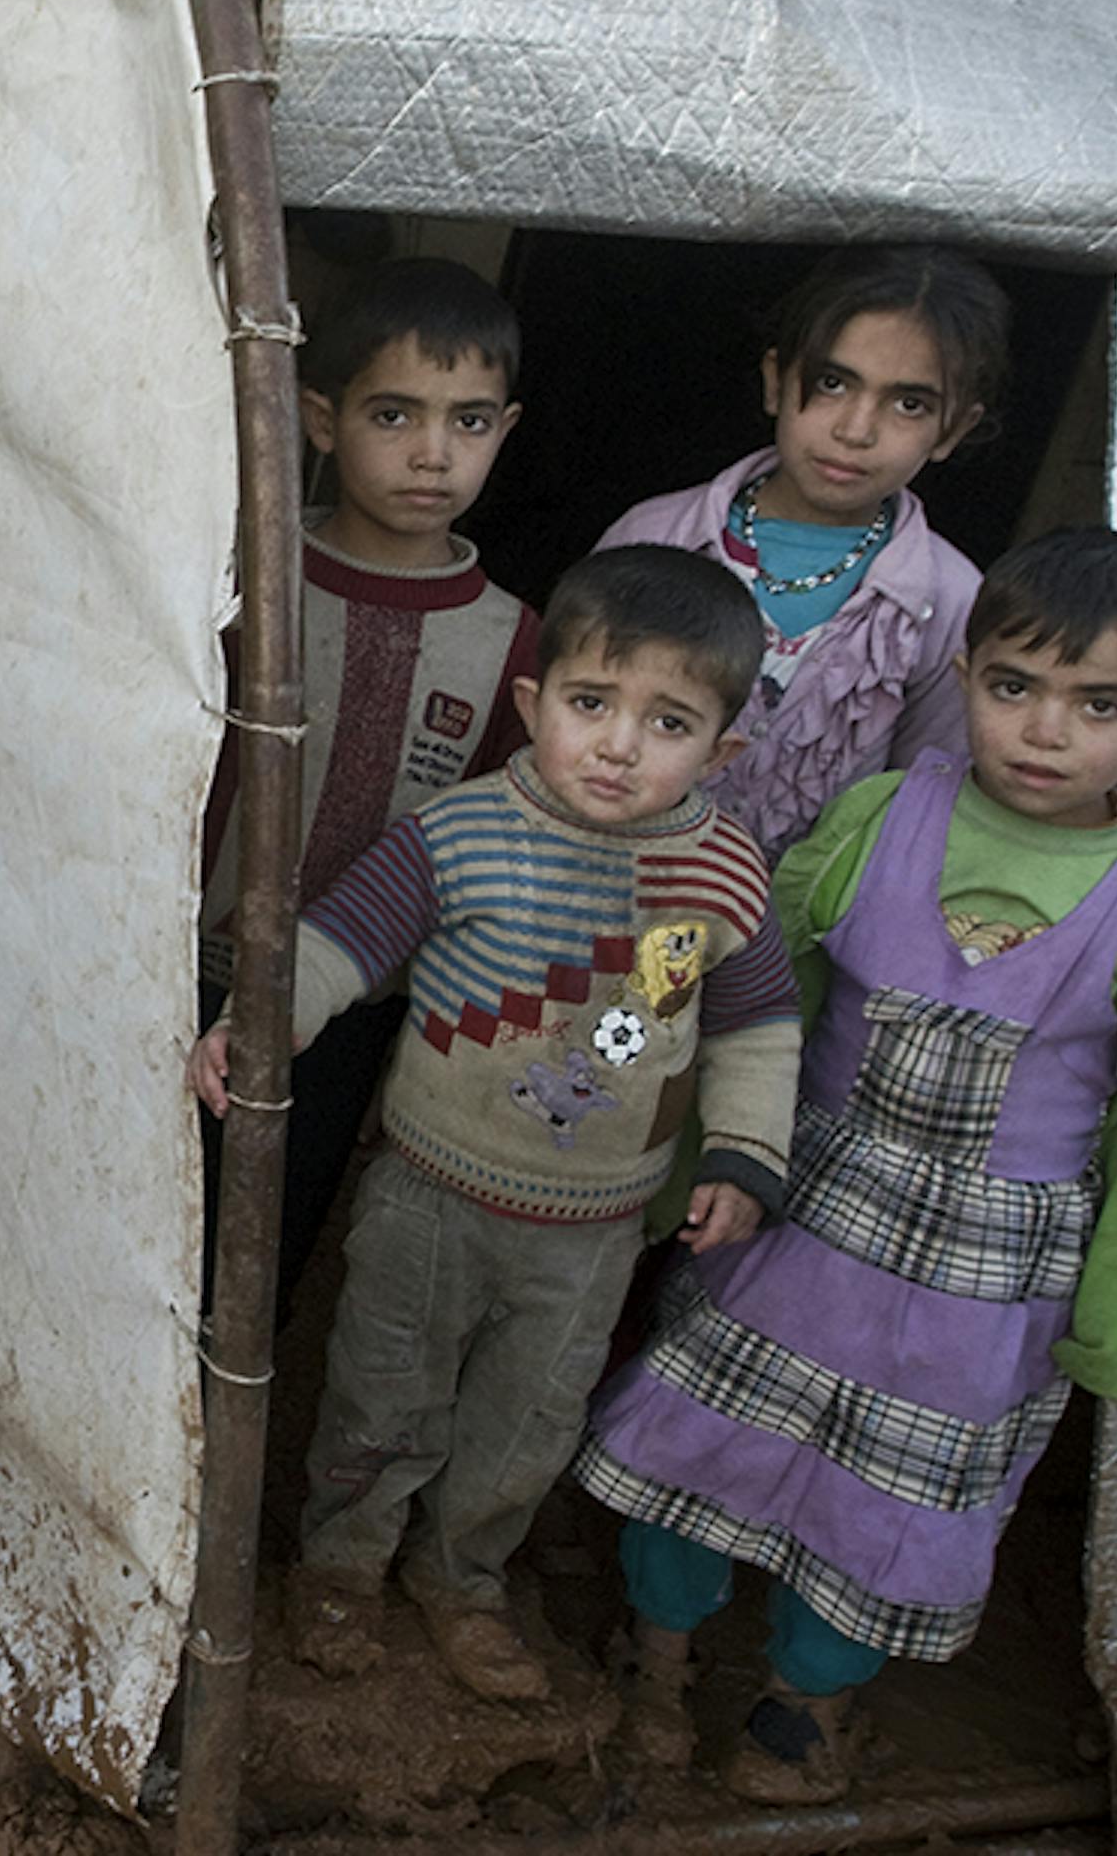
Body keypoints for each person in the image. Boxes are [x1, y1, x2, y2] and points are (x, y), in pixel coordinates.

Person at [571, 528, 1117, 1805]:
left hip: (981, 1291)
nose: (1046, 731)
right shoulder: (883, 817)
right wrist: (683, 1170)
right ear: (967, 673)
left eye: (1100, 704)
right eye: (1011, 687)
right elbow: (764, 1003)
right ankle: (654, 1662)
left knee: (892, 1505)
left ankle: (798, 1709)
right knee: (701, 1436)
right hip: (801, 1218)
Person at [189, 547, 802, 1704]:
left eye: (667, 722)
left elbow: (758, 1027)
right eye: (590, 704)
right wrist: (262, 1021)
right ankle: (342, 1563)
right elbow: (343, 939)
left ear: (722, 751)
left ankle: (464, 1580)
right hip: (429, 1192)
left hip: (593, 1232)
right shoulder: (464, 831)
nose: (619, 744)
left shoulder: (720, 879)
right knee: (383, 1387)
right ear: (535, 703)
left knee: (526, 1421)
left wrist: (744, 1156)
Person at [194, 256, 541, 1297]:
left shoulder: (516, 644)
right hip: (187, 968)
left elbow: (493, 852)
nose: (433, 454)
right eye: (395, 415)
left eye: (469, 422)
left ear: (505, 433)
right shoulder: (239, 584)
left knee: (261, 1244)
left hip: (354, 1017)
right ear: (318, 419)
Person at [596, 246, 1013, 857]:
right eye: (833, 383)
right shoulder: (657, 535)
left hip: (800, 938)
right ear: (775, 381)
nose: (855, 429)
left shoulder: (948, 600)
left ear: (953, 429)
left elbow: (924, 809)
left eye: (909, 404)